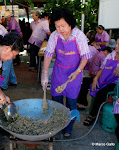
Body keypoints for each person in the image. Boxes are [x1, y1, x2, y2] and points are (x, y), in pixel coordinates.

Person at [41, 8, 91, 137]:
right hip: (59, 73)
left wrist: (78, 71)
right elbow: (48, 54)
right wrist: (45, 73)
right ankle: (58, 125)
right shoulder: (54, 35)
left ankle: (68, 128)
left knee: (71, 104)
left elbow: (85, 57)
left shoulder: (79, 36)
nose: (60, 29)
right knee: (56, 102)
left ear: (70, 23)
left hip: (74, 74)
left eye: (63, 26)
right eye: (57, 26)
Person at [83, 38, 119, 126]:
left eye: (118, 44)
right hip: (104, 79)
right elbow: (102, 69)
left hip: (114, 83)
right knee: (90, 84)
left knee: (100, 93)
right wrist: (95, 79)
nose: (116, 46)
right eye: (117, 43)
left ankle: (92, 115)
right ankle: (90, 106)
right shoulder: (111, 55)